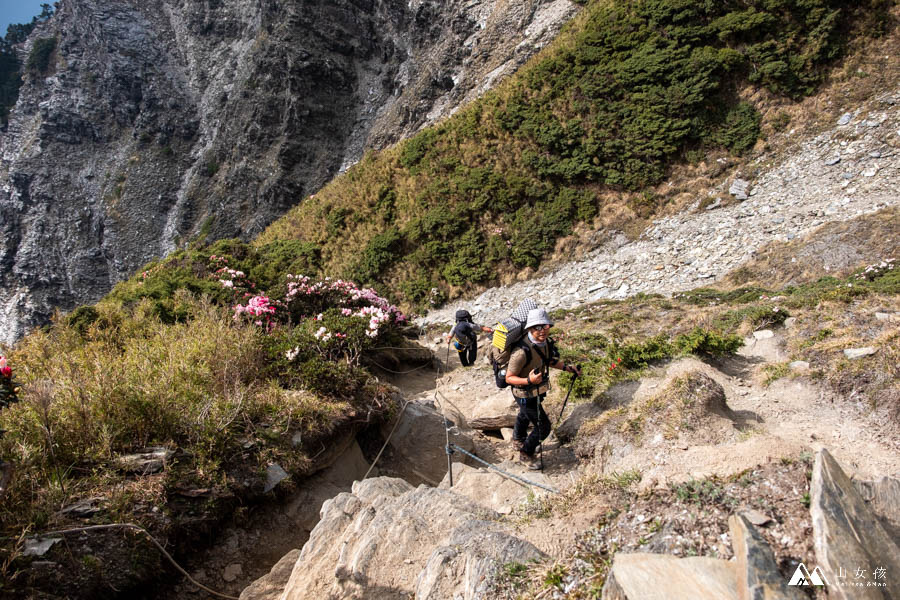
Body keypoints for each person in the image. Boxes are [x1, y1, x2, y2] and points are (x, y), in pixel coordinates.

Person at [505, 308, 581, 469]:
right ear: (530, 329)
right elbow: (509, 377)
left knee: (524, 415)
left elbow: (548, 360)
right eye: (537, 327)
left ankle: (518, 440)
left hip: (537, 389)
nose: (542, 331)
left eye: (545, 326)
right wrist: (528, 379)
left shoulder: (544, 343)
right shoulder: (521, 352)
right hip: (524, 392)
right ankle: (526, 453)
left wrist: (568, 368)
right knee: (544, 427)